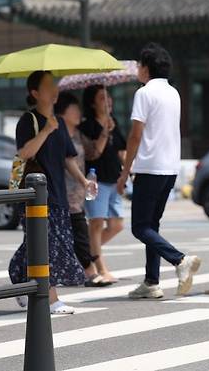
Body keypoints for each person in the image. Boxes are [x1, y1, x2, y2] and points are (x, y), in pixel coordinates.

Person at [116, 42, 200, 299]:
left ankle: (179, 260)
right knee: (152, 225)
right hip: (169, 168)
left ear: (146, 68)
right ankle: (152, 281)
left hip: (149, 167)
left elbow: (135, 135)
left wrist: (125, 171)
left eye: (139, 65)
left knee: (140, 228)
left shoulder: (144, 93)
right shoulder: (173, 93)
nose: (138, 70)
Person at [9, 71, 91, 314]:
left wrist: (83, 181)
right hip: (35, 196)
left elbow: (68, 158)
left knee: (42, 244)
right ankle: (51, 298)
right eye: (47, 85)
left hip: (58, 194)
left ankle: (18, 274)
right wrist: (45, 131)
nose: (54, 89)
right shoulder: (28, 121)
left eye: (54, 84)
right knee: (46, 246)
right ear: (35, 93)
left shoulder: (60, 122)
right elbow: (24, 153)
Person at [55, 92, 106, 287]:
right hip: (62, 193)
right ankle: (90, 272)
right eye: (74, 110)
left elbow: (93, 152)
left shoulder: (77, 134)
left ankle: (73, 272)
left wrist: (104, 133)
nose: (78, 114)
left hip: (79, 193)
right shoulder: (56, 134)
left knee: (69, 235)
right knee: (79, 233)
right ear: (63, 113)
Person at [80, 85, 126, 285]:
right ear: (92, 103)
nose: (107, 101)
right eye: (101, 98)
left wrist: (126, 173)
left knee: (116, 225)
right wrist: (105, 132)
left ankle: (83, 255)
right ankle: (100, 268)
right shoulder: (87, 126)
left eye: (108, 97)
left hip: (114, 180)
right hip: (95, 181)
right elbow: (93, 153)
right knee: (96, 223)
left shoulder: (113, 122)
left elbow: (121, 150)